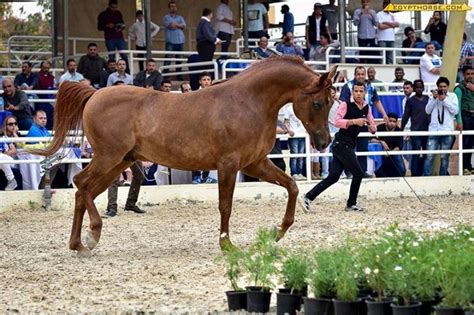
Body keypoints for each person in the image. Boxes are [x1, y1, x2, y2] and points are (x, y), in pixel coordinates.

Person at [300, 81, 377, 213]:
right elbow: (337, 122)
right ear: (352, 92)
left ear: (365, 92)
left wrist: (373, 128)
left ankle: (308, 197)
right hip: (342, 144)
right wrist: (353, 122)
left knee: (333, 176)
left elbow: (372, 123)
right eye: (356, 91)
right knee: (358, 173)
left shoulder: (367, 108)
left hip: (347, 145)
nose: (358, 94)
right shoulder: (345, 105)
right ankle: (351, 204)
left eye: (361, 91)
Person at [340, 66, 388, 176]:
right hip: (351, 121)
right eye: (358, 74)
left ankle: (362, 171)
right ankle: (349, 171)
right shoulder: (347, 86)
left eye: (362, 74)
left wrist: (384, 114)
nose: (360, 76)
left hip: (365, 120)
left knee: (363, 147)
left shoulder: (370, 86)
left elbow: (376, 101)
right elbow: (342, 103)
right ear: (355, 75)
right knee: (349, 148)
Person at [423, 77, 458, 176]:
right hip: (434, 131)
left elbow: (455, 111)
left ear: (448, 87)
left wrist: (444, 100)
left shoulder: (452, 96)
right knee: (429, 156)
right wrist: (434, 99)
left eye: (444, 86)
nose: (442, 89)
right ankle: (426, 178)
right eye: (440, 87)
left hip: (447, 132)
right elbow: (427, 111)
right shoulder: (433, 97)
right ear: (437, 87)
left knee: (444, 157)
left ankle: (443, 177)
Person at [192, 72, 217, 184]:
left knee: (209, 152)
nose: (206, 81)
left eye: (208, 79)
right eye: (204, 79)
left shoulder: (215, 94)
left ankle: (206, 176)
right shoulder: (194, 94)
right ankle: (196, 176)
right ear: (200, 82)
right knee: (195, 152)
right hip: (196, 127)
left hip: (210, 127)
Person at [401, 79, 430, 177]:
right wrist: (401, 129)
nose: (419, 89)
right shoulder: (410, 101)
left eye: (420, 87)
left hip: (427, 131)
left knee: (427, 155)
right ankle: (415, 175)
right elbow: (405, 116)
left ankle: (425, 174)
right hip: (416, 131)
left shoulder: (428, 99)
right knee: (416, 155)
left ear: (423, 88)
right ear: (414, 88)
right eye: (417, 87)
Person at [371, 112, 405, 177]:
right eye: (390, 121)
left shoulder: (399, 131)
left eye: (394, 121)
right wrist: (382, 142)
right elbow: (371, 139)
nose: (391, 123)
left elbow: (399, 146)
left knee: (402, 169)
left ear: (396, 122)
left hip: (394, 152)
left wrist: (390, 153)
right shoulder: (379, 128)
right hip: (380, 151)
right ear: (386, 120)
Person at [454, 66, 474, 175]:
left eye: (472, 74)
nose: (470, 76)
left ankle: (470, 166)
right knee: (466, 143)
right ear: (463, 74)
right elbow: (458, 106)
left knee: (471, 143)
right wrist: (459, 121)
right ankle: (465, 167)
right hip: (466, 116)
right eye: (468, 74)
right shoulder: (459, 88)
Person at [97, 0, 128, 66]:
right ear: (109, 6)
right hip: (109, 37)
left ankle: (127, 71)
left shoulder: (118, 13)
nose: (114, 9)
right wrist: (107, 26)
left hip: (119, 36)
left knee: (124, 55)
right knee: (111, 56)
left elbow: (122, 23)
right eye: (113, 7)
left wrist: (121, 27)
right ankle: (112, 71)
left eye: (116, 7)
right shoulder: (103, 14)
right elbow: (99, 27)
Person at [163, 1, 186, 78]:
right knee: (168, 58)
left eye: (175, 6)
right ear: (169, 8)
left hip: (180, 41)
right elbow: (170, 26)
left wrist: (176, 24)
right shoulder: (166, 17)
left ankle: (179, 76)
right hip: (171, 41)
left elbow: (183, 26)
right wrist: (178, 25)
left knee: (180, 59)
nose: (174, 8)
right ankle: (165, 75)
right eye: (172, 6)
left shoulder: (180, 17)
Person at [284, 104, 307, 181]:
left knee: (301, 155)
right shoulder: (289, 109)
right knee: (294, 154)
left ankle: (299, 172)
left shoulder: (303, 107)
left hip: (303, 134)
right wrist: (289, 130)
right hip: (294, 135)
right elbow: (286, 121)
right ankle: (294, 173)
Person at [376, 0, 399, 64]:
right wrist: (392, 25)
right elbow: (381, 26)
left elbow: (397, 24)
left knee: (390, 59)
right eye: (386, 4)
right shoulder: (379, 14)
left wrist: (386, 22)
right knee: (382, 59)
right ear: (383, 5)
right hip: (382, 39)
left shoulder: (392, 15)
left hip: (391, 39)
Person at [35, 61, 56, 130]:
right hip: (39, 99)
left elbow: (54, 87)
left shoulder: (52, 77)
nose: (46, 69)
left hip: (50, 99)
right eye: (44, 68)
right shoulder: (36, 76)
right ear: (41, 68)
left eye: (48, 68)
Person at [0, 116, 19, 191]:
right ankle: (11, 180)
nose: (13, 125)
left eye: (15, 123)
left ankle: (12, 180)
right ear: (6, 126)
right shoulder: (3, 137)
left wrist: (15, 134)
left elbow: (14, 150)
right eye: (11, 124)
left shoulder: (18, 135)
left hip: (12, 162)